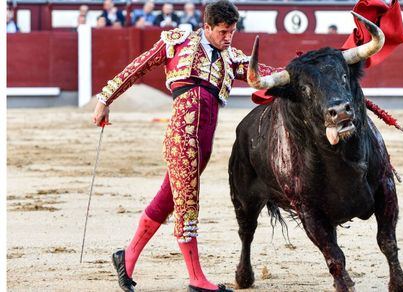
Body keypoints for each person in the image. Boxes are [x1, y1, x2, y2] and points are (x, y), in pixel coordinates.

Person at [91, 1, 282, 291]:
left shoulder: (232, 58)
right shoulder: (178, 42)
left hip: (204, 139)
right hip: (183, 134)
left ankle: (125, 258)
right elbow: (138, 67)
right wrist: (105, 99)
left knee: (166, 200)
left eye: (232, 31)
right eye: (222, 32)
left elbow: (267, 74)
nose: (228, 37)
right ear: (206, 27)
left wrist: (304, 70)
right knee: (188, 201)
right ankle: (196, 279)